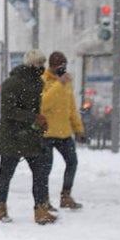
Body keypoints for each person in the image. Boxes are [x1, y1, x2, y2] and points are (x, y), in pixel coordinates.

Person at [0, 50, 54, 225]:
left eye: (43, 63)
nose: (42, 67)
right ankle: (1, 208)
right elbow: (8, 111)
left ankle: (40, 210)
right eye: (38, 63)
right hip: (12, 135)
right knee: (6, 174)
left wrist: (39, 122)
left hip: (30, 135)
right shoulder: (12, 83)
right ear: (30, 64)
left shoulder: (37, 82)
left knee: (40, 173)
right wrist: (34, 118)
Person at [40, 51, 86, 210]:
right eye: (59, 66)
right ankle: (44, 199)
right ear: (51, 66)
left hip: (64, 132)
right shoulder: (43, 80)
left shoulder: (68, 83)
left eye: (64, 66)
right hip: (46, 132)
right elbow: (44, 104)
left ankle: (66, 195)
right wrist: (59, 84)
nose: (62, 69)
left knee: (72, 162)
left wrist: (78, 129)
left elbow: (71, 107)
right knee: (46, 168)